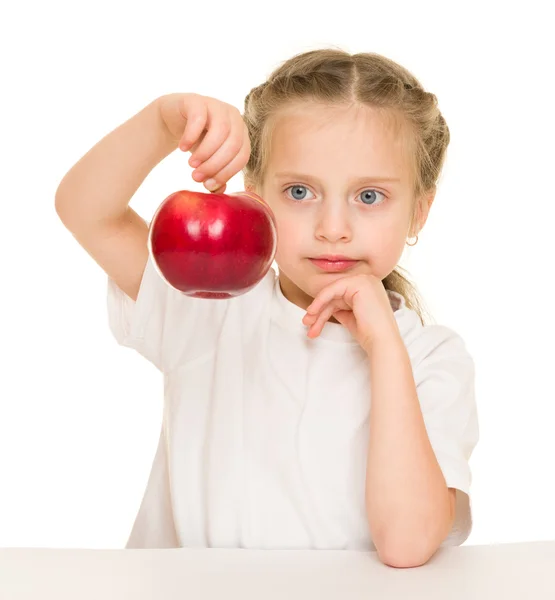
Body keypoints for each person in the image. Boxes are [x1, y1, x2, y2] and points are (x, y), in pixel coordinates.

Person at [55, 48, 479, 568]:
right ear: (256, 200)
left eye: (369, 197)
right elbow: (85, 210)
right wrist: (164, 121)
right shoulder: (207, 307)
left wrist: (384, 347)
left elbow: (407, 543)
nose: (333, 227)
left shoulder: (431, 359)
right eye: (300, 191)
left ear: (419, 212)